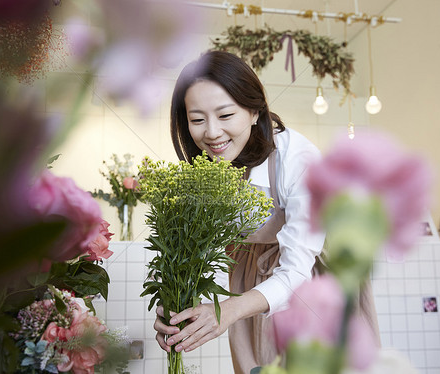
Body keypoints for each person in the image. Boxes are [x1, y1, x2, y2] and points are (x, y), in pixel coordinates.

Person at [153, 51, 378, 374]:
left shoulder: (298, 160)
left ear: (254, 110)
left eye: (226, 115)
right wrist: (172, 308)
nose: (212, 133)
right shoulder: (205, 172)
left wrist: (227, 310)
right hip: (248, 288)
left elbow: (297, 269)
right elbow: (187, 254)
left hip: (313, 283)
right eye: (198, 119)